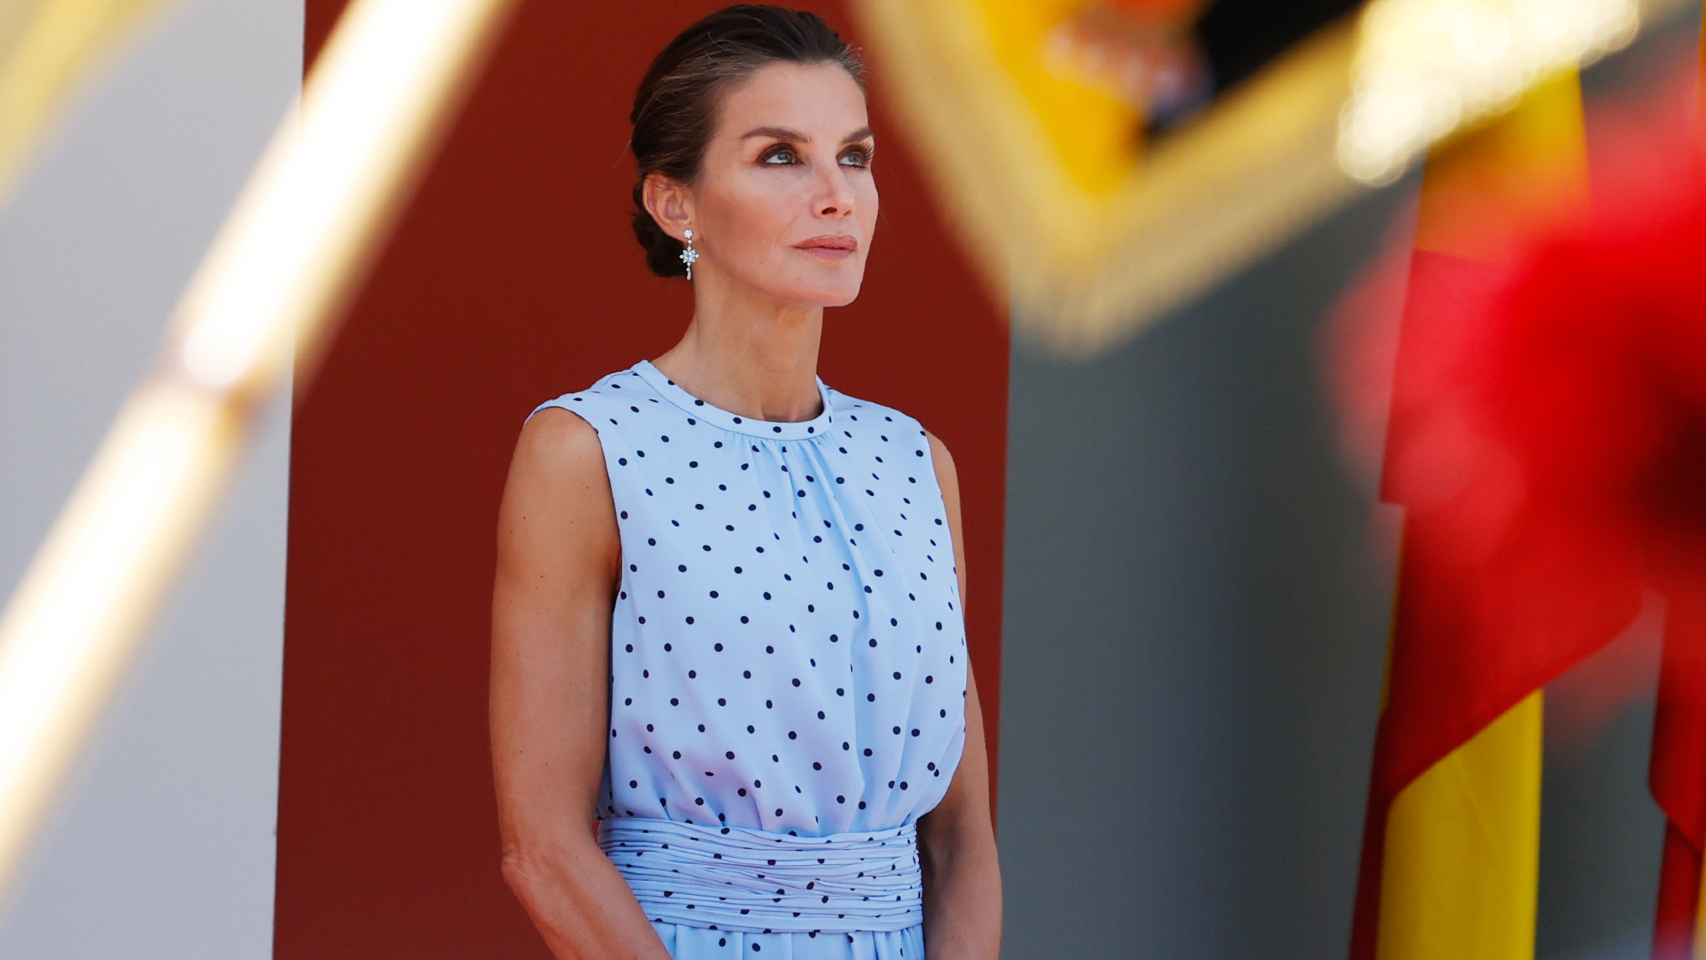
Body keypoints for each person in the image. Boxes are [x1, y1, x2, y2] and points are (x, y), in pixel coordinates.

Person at [488, 6, 1001, 959]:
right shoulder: (588, 450)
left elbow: (961, 836)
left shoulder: (916, 462)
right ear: (675, 204)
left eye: (855, 156)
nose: (836, 194)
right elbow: (542, 849)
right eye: (780, 156)